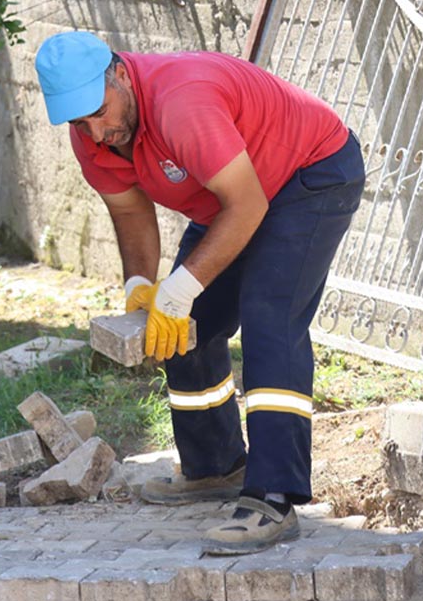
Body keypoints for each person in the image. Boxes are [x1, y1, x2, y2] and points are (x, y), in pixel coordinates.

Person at [34, 33, 364, 554]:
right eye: (79, 122)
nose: (97, 132)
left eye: (98, 111)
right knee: (190, 327)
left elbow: (249, 206)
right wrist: (144, 288)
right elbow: (129, 211)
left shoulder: (181, 102)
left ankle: (273, 498)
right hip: (232, 201)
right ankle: (216, 467)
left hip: (308, 175)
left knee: (269, 318)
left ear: (119, 74)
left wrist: (181, 286)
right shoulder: (94, 134)